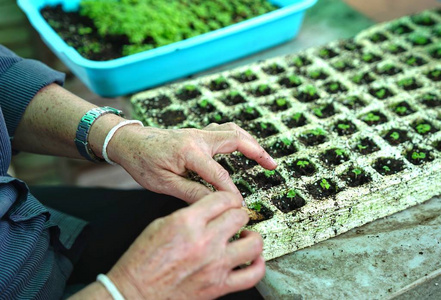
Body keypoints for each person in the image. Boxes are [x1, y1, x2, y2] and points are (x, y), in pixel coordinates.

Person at [0, 44, 277, 299]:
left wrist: (120, 138)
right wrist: (129, 290)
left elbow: (5, 83)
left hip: (26, 223)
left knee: (175, 205)